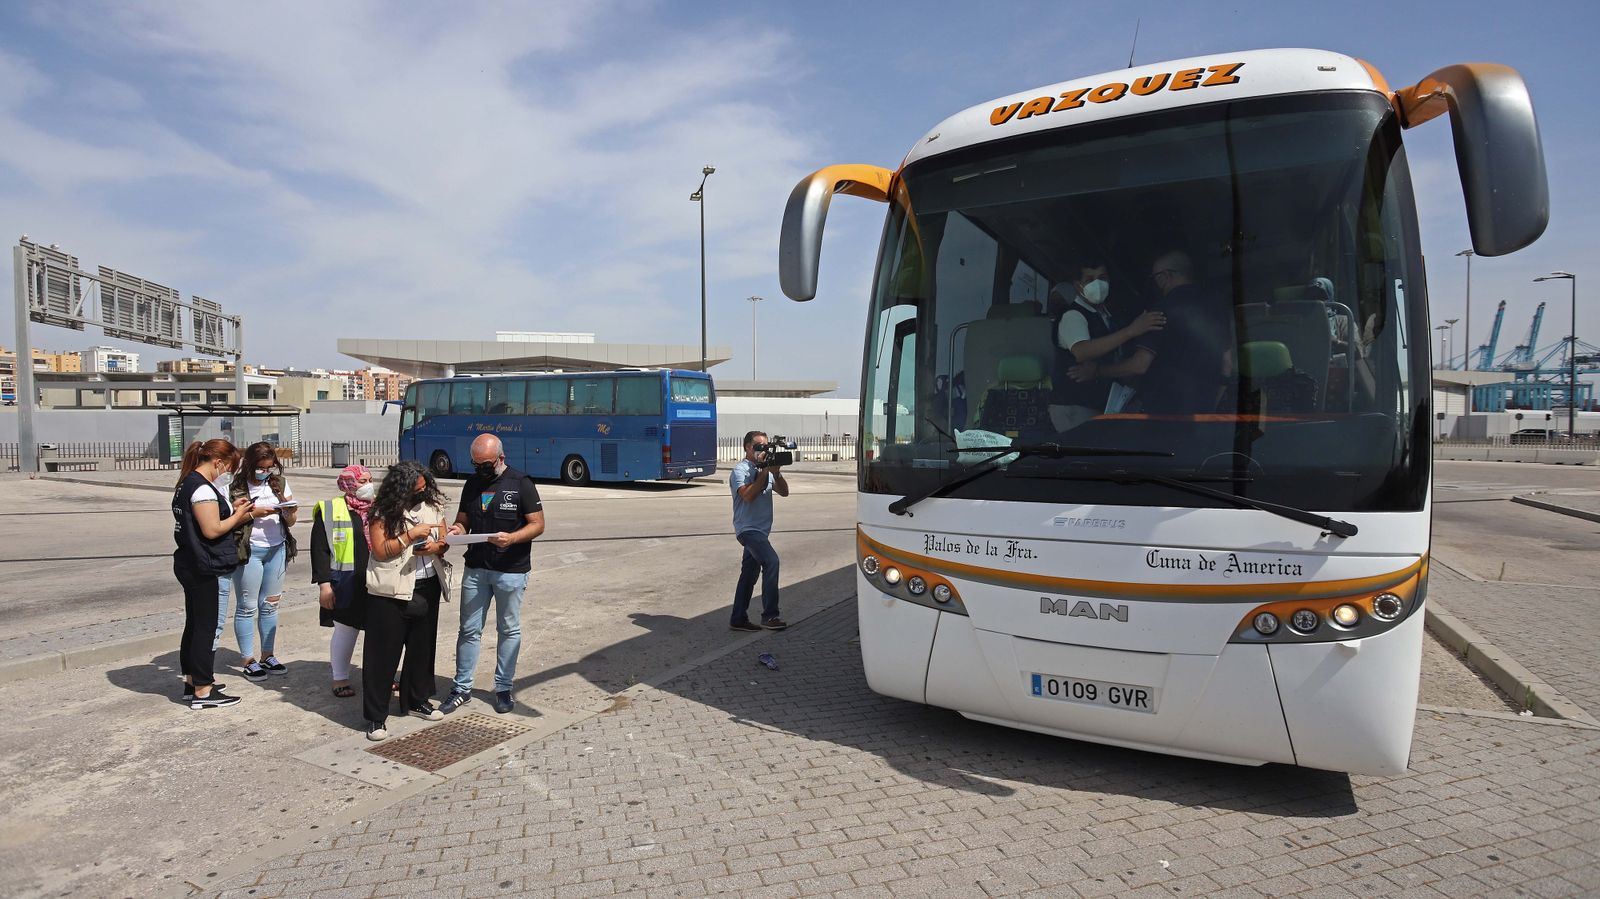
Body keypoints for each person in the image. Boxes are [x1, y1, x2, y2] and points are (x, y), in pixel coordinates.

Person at [441, 434, 545, 715]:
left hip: (510, 570)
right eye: (476, 465)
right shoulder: (473, 483)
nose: (481, 470)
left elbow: (537, 525)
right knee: (468, 630)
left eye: (485, 464)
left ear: (501, 458)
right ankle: (462, 688)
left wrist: (512, 539)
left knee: (508, 629)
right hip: (477, 568)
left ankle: (503, 687)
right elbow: (463, 519)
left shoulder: (520, 483)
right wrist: (457, 530)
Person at [1069, 250, 1234, 414]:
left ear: (1164, 277)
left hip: (1163, 413)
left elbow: (1139, 365)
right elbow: (1226, 363)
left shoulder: (1159, 312)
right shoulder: (1218, 309)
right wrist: (1211, 406)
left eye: (1155, 278)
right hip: (1204, 413)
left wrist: (1097, 370)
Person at [361, 461, 453, 741]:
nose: (422, 494)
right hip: (392, 590)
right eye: (417, 490)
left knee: (421, 649)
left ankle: (416, 699)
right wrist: (409, 536)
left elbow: (444, 539)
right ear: (401, 488)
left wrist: (435, 546)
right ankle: (376, 717)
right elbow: (380, 550)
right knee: (382, 655)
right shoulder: (382, 511)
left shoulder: (433, 507)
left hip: (426, 585)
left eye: (425, 488)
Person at [172, 439, 252, 709]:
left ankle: (193, 681)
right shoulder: (202, 489)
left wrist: (231, 507)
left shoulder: (187, 482)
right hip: (203, 565)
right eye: (230, 467)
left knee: (194, 624)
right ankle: (203, 692)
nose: (229, 473)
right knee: (205, 627)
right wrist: (239, 515)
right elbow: (212, 529)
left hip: (189, 562)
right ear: (218, 462)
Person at [1047, 258, 1165, 430]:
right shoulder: (1073, 315)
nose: (1098, 284)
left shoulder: (1104, 316)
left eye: (1102, 277)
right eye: (1089, 280)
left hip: (1098, 406)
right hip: (1074, 407)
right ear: (1078, 286)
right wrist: (1131, 330)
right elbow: (1081, 351)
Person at [229, 442, 298, 680]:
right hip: (250, 550)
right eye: (261, 468)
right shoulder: (236, 486)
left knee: (270, 604)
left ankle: (267, 654)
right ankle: (248, 659)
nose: (265, 472)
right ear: (250, 465)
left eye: (269, 467)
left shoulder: (278, 483)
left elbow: (291, 521)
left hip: (276, 548)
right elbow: (227, 522)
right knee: (247, 607)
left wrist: (288, 511)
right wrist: (252, 514)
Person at [313, 464, 375, 699]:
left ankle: (380, 675)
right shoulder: (330, 509)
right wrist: (324, 585)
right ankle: (340, 678)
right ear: (349, 484)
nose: (368, 485)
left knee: (379, 631)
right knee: (346, 630)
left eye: (369, 480)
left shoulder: (379, 507)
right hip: (346, 581)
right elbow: (320, 550)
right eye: (362, 481)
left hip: (377, 578)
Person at [728, 430, 790, 632]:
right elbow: (747, 496)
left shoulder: (767, 470)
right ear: (747, 447)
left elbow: (784, 492)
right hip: (748, 530)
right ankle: (770, 616)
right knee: (771, 561)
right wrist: (764, 471)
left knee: (749, 574)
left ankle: (738, 618)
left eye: (765, 446)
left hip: (761, 532)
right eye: (758, 446)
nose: (762, 450)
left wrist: (776, 472)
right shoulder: (740, 470)